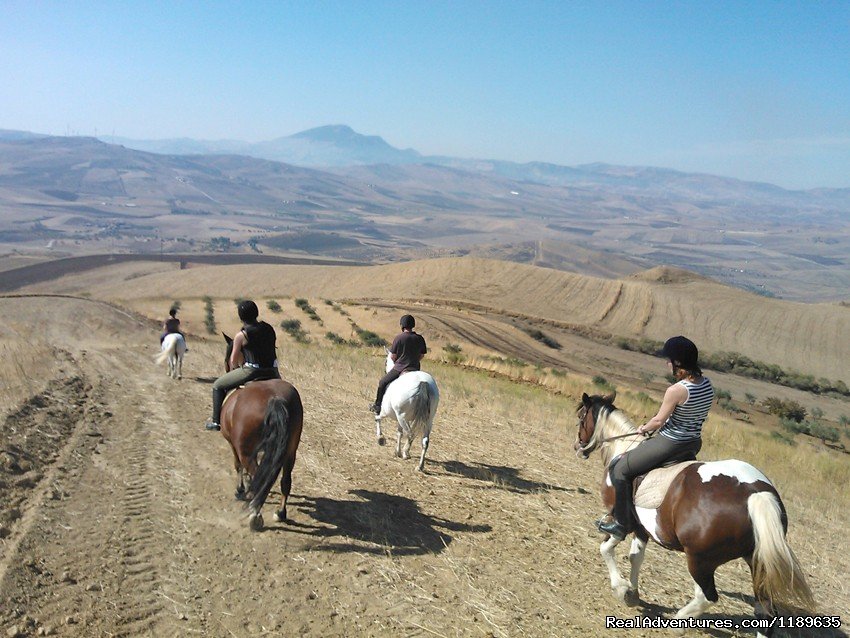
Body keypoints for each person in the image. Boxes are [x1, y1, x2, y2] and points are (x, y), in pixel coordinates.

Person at [597, 335, 714, 541]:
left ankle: (622, 524)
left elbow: (659, 421)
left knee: (620, 470)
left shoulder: (676, 390)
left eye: (669, 360)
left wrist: (644, 428)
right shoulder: (706, 384)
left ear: (678, 363)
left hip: (671, 443)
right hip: (693, 442)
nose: (667, 363)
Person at [205, 300, 280, 431]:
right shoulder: (269, 328)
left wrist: (236, 369)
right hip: (273, 371)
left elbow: (233, 360)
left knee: (217, 385)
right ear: (256, 312)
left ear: (241, 316)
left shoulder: (242, 335)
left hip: (252, 371)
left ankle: (216, 422)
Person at [370, 314, 427, 414]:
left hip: (400, 368)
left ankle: (378, 406)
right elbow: (422, 355)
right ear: (413, 325)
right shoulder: (420, 338)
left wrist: (399, 361)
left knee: (382, 382)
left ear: (402, 326)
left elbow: (392, 356)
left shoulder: (399, 338)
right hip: (415, 368)